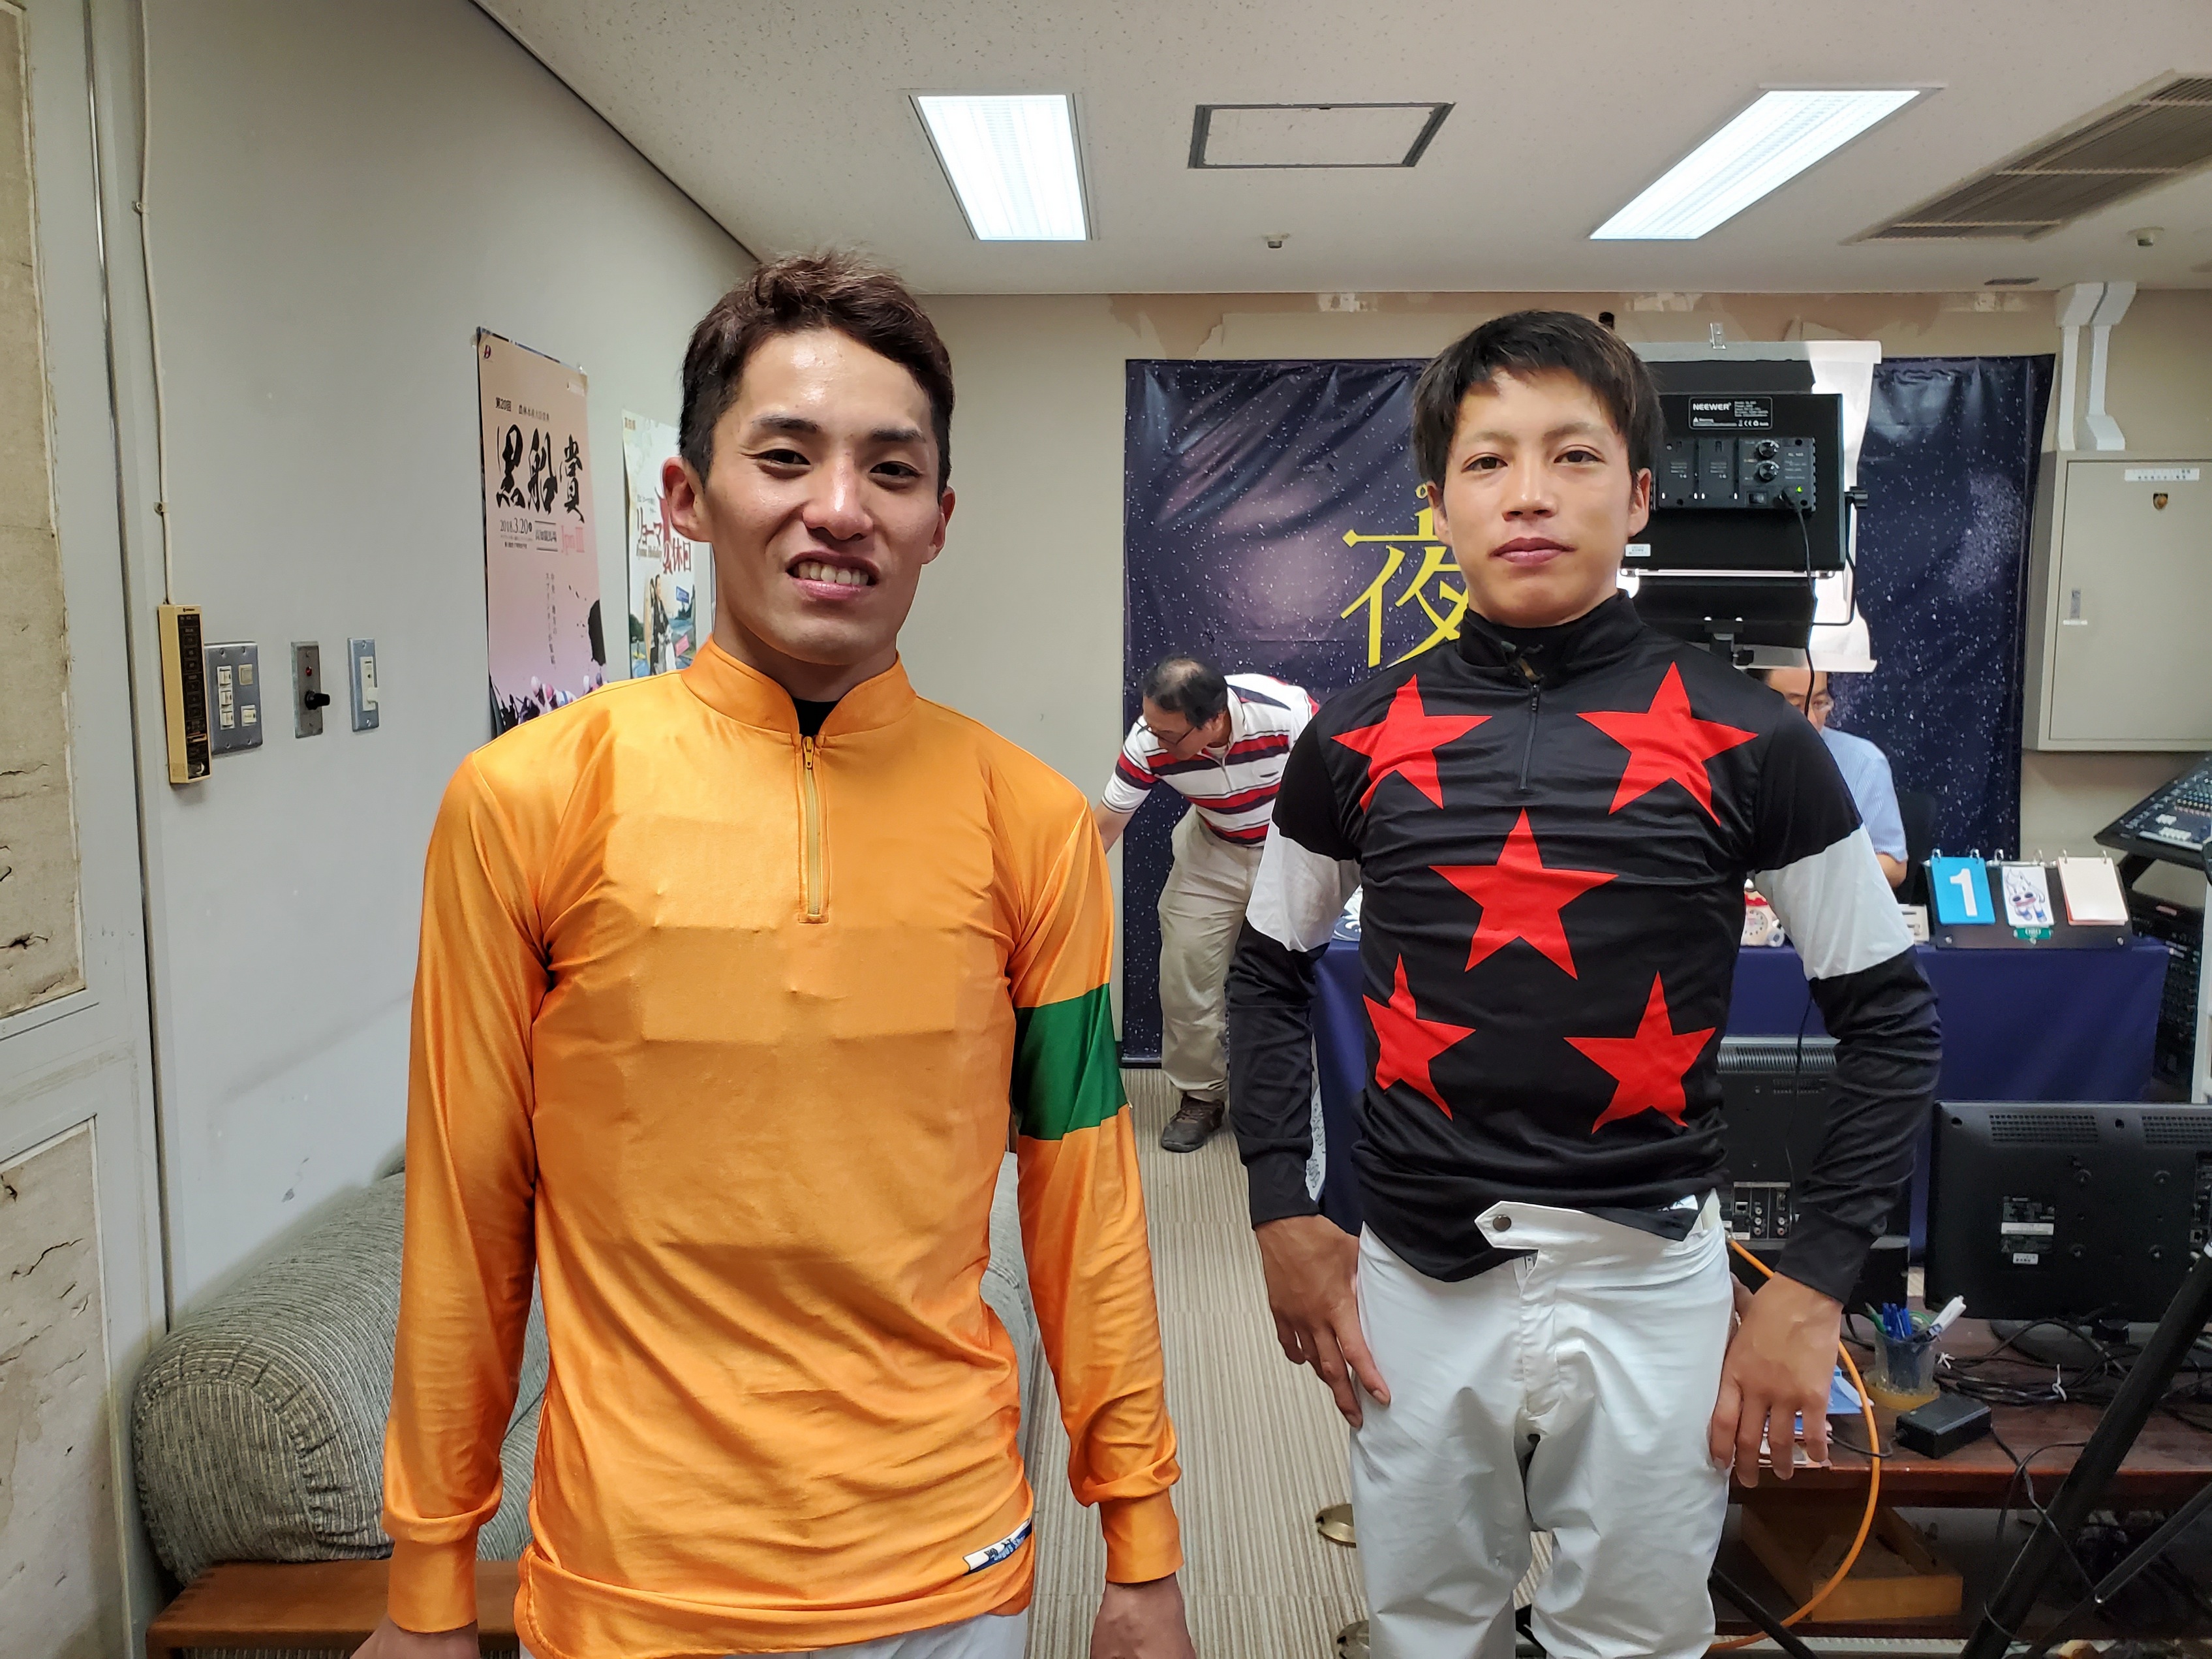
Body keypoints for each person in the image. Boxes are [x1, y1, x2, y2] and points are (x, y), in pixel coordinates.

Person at [357, 255, 1193, 1659]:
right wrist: (430, 1579)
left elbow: (1084, 1195)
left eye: (892, 469)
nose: (841, 508)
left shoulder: (1034, 824)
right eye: (786, 456)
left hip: (947, 1570)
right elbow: (467, 1197)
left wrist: (1143, 1543)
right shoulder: (527, 800)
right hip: (633, 1582)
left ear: (939, 519)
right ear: (687, 496)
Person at [1225, 311, 1941, 1659]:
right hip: (1418, 1278)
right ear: (1437, 504)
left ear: (1641, 493)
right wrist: (1279, 1205)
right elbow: (1266, 973)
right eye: (1488, 460)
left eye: (1572, 455)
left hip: (1650, 1280)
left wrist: (1811, 1283)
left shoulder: (1756, 738)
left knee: (1634, 1635)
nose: (1530, 494)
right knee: (1429, 1630)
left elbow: (1892, 1017)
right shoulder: (1355, 737)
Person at [1092, 655, 1315, 1153]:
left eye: (1169, 735)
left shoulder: (1287, 713)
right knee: (1185, 972)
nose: (1155, 740)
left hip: (1289, 849)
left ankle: (1287, 1100)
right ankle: (1201, 1097)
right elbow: (1105, 825)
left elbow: (1338, 786)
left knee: (1294, 977)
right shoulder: (1148, 740)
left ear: (1213, 720)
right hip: (1212, 849)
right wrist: (1057, 890)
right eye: (1151, 726)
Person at [1757, 664, 1910, 890]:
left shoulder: (1864, 762)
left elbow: (1893, 866)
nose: (1810, 719)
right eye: (1794, 706)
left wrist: (1821, 879)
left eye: (1819, 703)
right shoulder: (1727, 757)